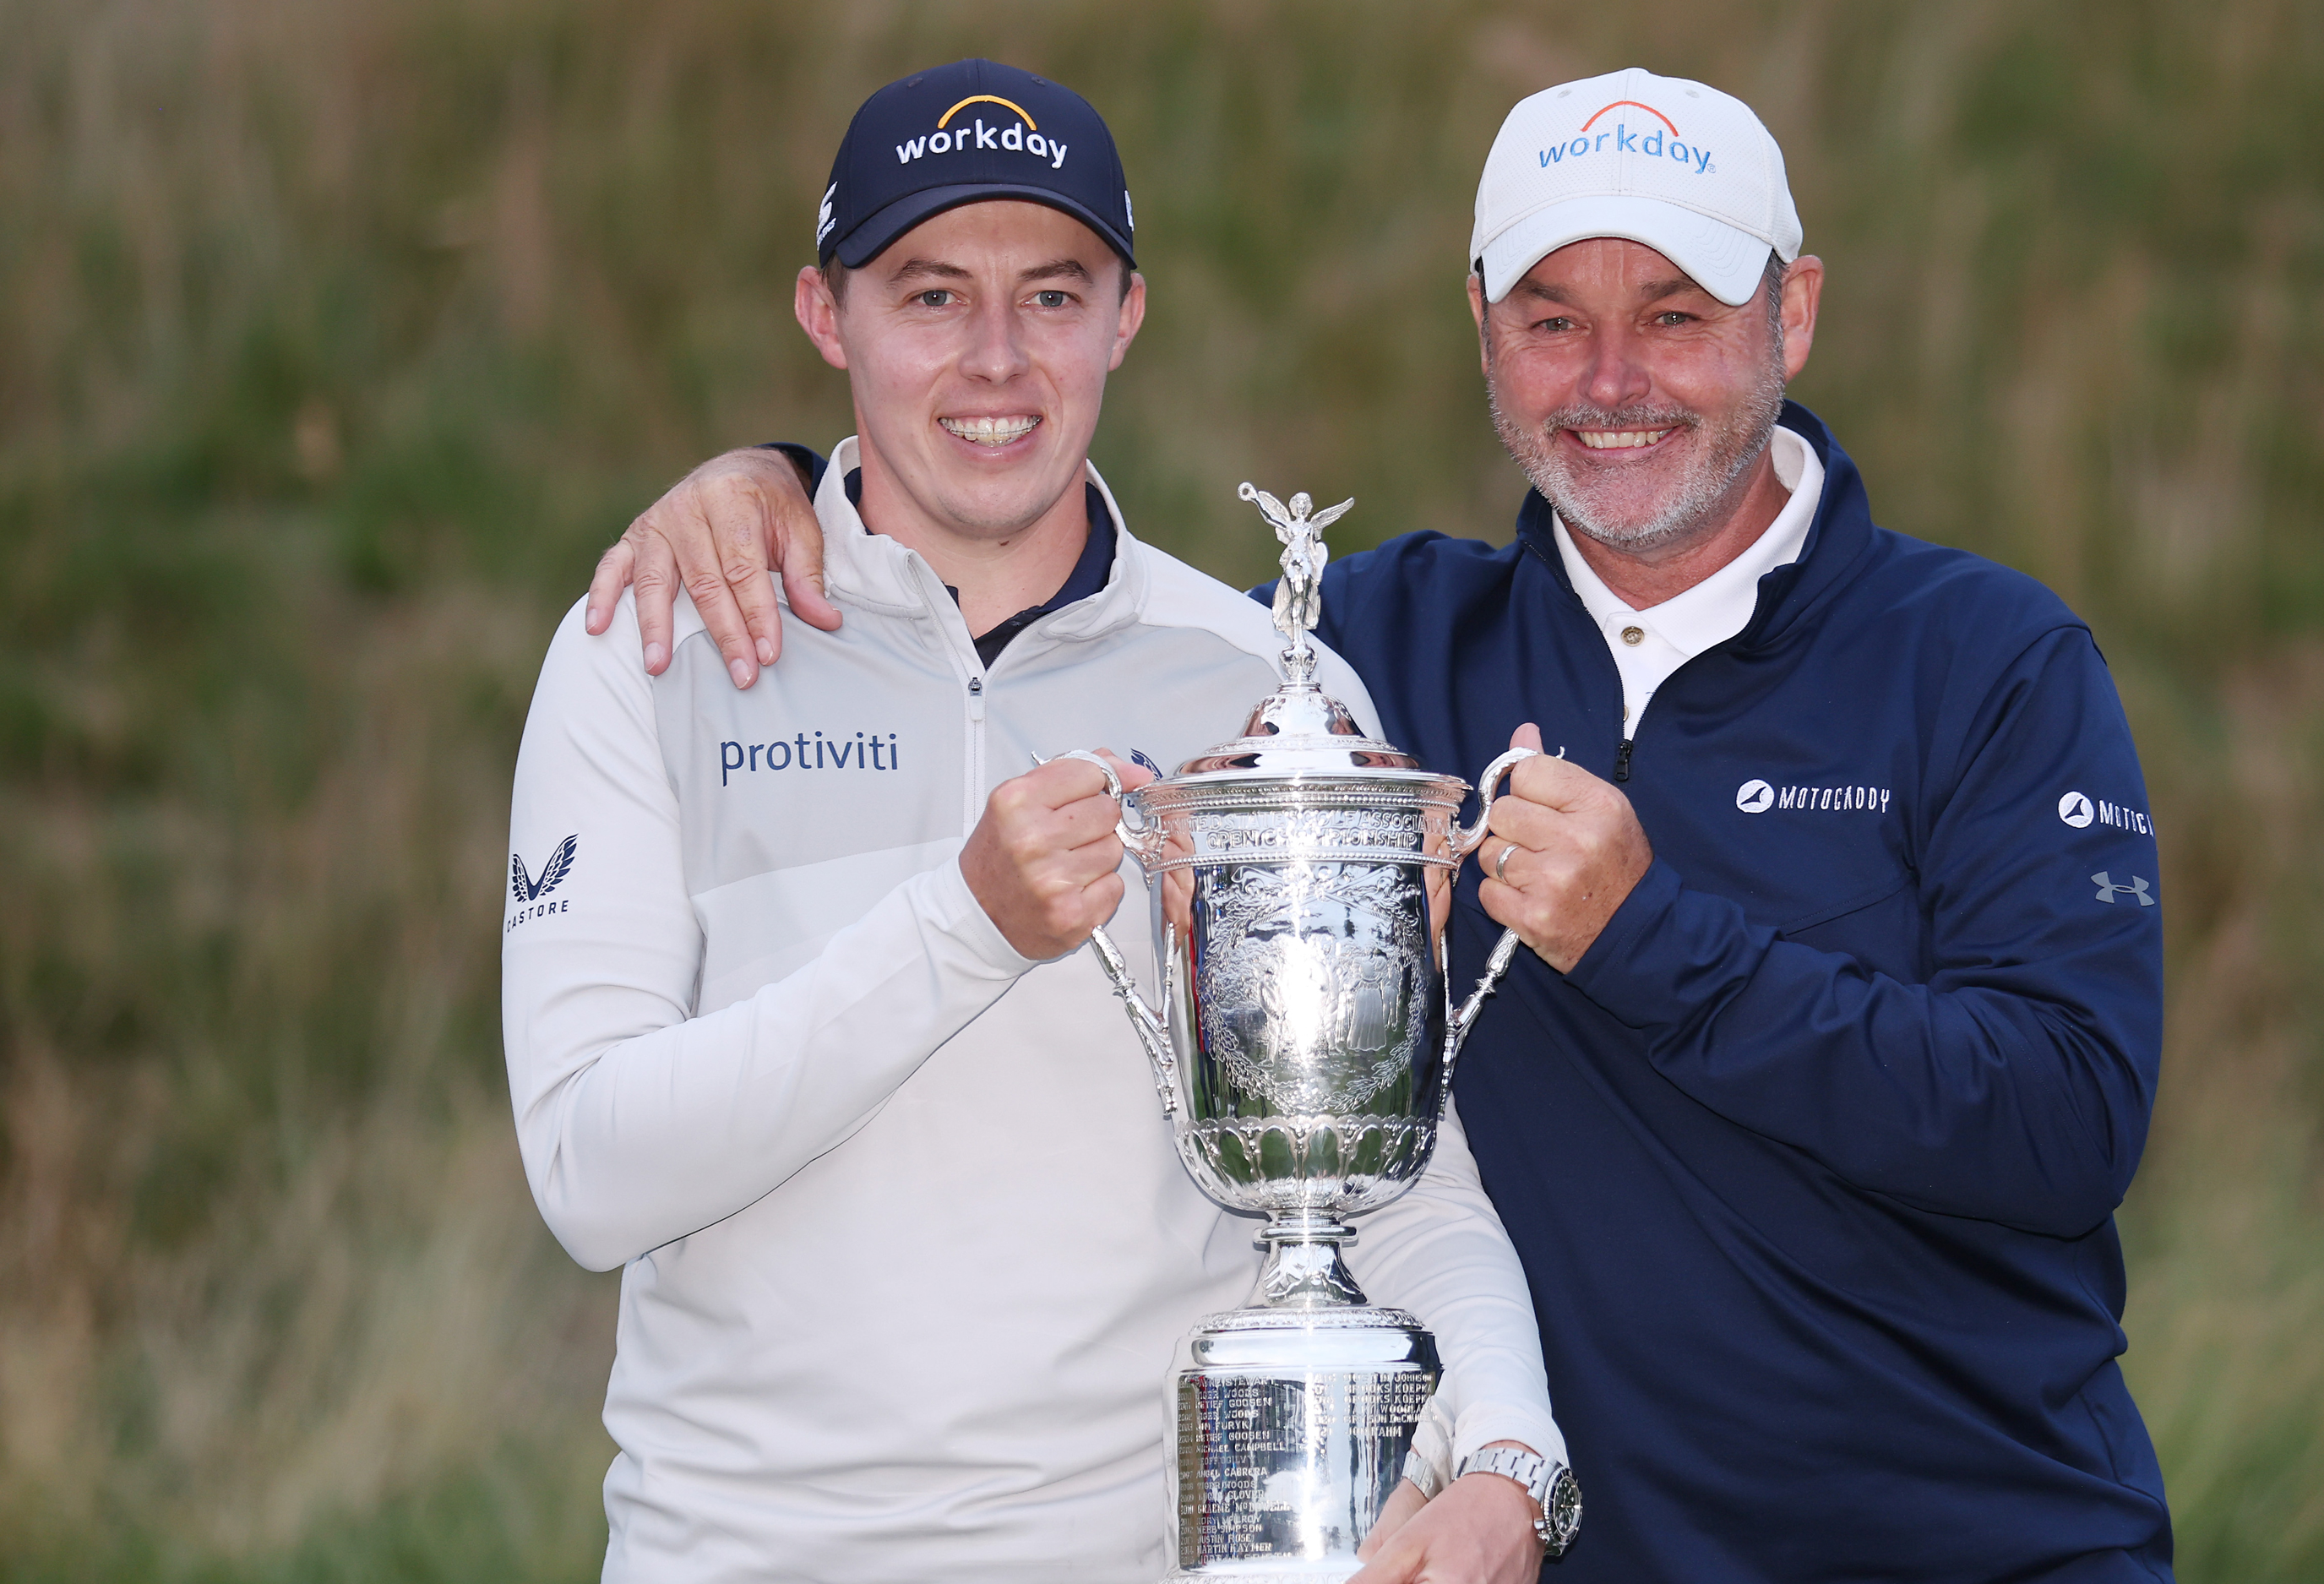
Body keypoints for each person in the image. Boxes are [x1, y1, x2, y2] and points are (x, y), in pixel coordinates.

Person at [599, 65, 2174, 1584]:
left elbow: (2067, 1127)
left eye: (1675, 318)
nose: (1612, 381)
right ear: (1483, 336)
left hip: (1974, 1543)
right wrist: (778, 483)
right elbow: (1022, 507)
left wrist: (1656, 943)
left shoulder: (1985, 662)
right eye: (1553, 322)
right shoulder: (1376, 650)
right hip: (1525, 1556)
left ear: (1794, 313)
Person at [504, 59, 1567, 1583]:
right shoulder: (650, 649)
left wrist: (1516, 1454)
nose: (995, 360)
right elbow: (591, 1178)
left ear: (1126, 315)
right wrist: (963, 928)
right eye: (930, 296)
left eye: (1052, 296)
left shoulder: (1264, 691)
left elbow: (1386, 1185)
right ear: (827, 316)